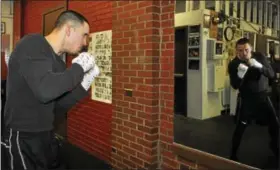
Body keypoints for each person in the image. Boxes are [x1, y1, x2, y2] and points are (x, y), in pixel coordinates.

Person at [1, 10, 100, 170]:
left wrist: (84, 85)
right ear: (69, 30)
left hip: (46, 135)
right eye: (84, 35)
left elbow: (57, 107)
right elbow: (45, 91)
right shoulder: (33, 43)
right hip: (23, 136)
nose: (85, 42)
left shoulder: (59, 64)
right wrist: (78, 67)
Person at [228, 38, 279, 161]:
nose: (244, 53)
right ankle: (233, 155)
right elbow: (235, 85)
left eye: (246, 50)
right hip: (247, 101)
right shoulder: (234, 64)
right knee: (240, 128)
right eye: (240, 51)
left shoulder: (259, 57)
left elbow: (271, 74)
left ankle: (274, 146)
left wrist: (260, 66)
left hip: (263, 97)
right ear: (236, 51)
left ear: (251, 49)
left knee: (275, 125)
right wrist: (240, 75)